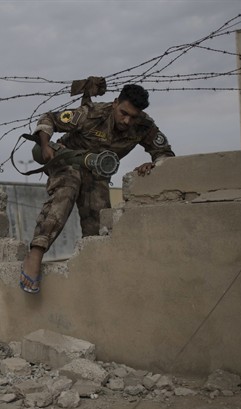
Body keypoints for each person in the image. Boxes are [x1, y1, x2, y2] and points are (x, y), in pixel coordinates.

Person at [20, 83, 175, 294]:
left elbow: (164, 152)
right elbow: (49, 118)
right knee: (69, 185)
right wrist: (46, 145)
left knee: (100, 221)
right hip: (67, 160)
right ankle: (36, 253)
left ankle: (94, 267)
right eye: (123, 113)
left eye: (133, 116)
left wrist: (154, 164)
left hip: (96, 173)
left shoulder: (144, 125)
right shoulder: (92, 114)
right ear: (115, 104)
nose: (127, 121)